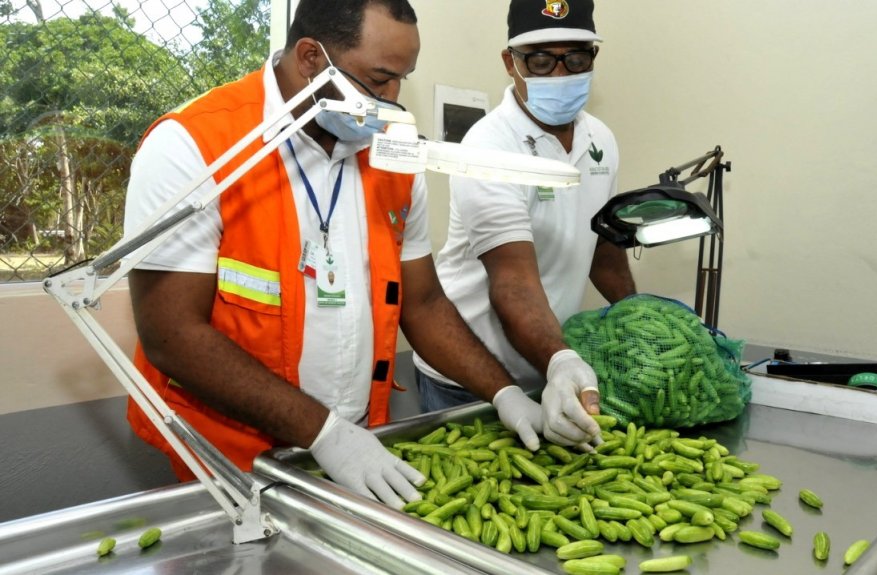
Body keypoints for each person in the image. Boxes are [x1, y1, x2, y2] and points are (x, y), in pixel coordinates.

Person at [122, 0, 532, 510]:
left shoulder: (391, 150)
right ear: (311, 58)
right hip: (229, 459)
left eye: (401, 79)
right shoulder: (195, 145)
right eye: (379, 80)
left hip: (357, 444)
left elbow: (423, 304)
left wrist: (505, 393)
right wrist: (324, 432)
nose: (391, 100)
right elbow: (172, 335)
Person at [413, 0, 636, 449]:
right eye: (540, 61)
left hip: (549, 365)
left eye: (576, 59)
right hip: (470, 376)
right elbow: (513, 282)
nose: (560, 74)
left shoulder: (601, 140)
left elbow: (603, 251)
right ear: (509, 62)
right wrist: (561, 359)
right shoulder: (489, 147)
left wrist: (647, 320)